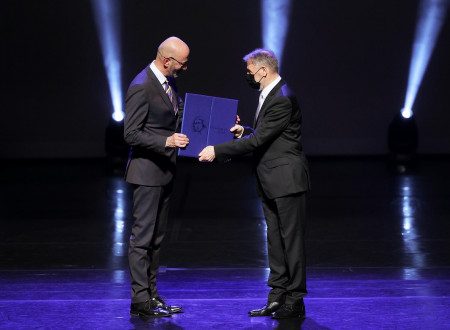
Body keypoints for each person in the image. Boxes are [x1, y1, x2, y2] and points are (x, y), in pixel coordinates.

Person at [199, 49, 310, 319]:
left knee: (290, 242)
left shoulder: (282, 98)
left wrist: (218, 150)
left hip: (286, 180)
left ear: (263, 70)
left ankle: (294, 300)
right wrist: (244, 131)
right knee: (275, 240)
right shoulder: (269, 95)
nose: (247, 76)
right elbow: (264, 135)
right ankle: (277, 296)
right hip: (271, 179)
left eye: (249, 71)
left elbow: (260, 141)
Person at [124, 36, 190, 318]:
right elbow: (131, 133)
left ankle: (151, 294)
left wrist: (222, 124)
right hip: (147, 172)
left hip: (164, 172)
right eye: (182, 64)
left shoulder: (168, 82)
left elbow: (180, 115)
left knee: (156, 239)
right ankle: (140, 300)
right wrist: (167, 142)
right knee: (142, 240)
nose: (185, 69)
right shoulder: (142, 86)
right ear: (167, 61)